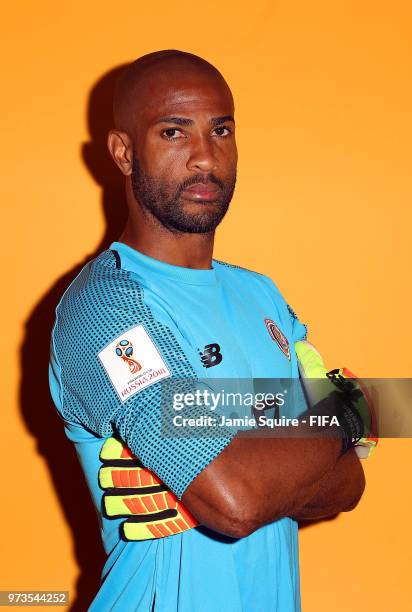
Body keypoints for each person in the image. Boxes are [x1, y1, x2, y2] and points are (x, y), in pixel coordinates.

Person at [49, 50, 367, 611]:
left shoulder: (261, 294)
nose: (204, 157)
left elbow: (348, 488)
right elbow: (236, 499)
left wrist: (254, 458)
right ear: (124, 153)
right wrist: (346, 412)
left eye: (221, 130)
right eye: (174, 131)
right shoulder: (107, 306)